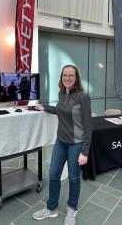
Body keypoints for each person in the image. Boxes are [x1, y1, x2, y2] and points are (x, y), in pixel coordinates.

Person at [33, 65, 92, 225]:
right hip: (61, 141)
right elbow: (60, 110)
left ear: (76, 77)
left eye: (71, 75)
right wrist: (45, 107)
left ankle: (72, 209)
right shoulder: (61, 93)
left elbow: (88, 126)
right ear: (61, 77)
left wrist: (84, 152)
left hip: (76, 144)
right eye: (65, 75)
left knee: (73, 178)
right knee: (53, 174)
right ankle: (51, 208)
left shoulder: (82, 97)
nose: (67, 78)